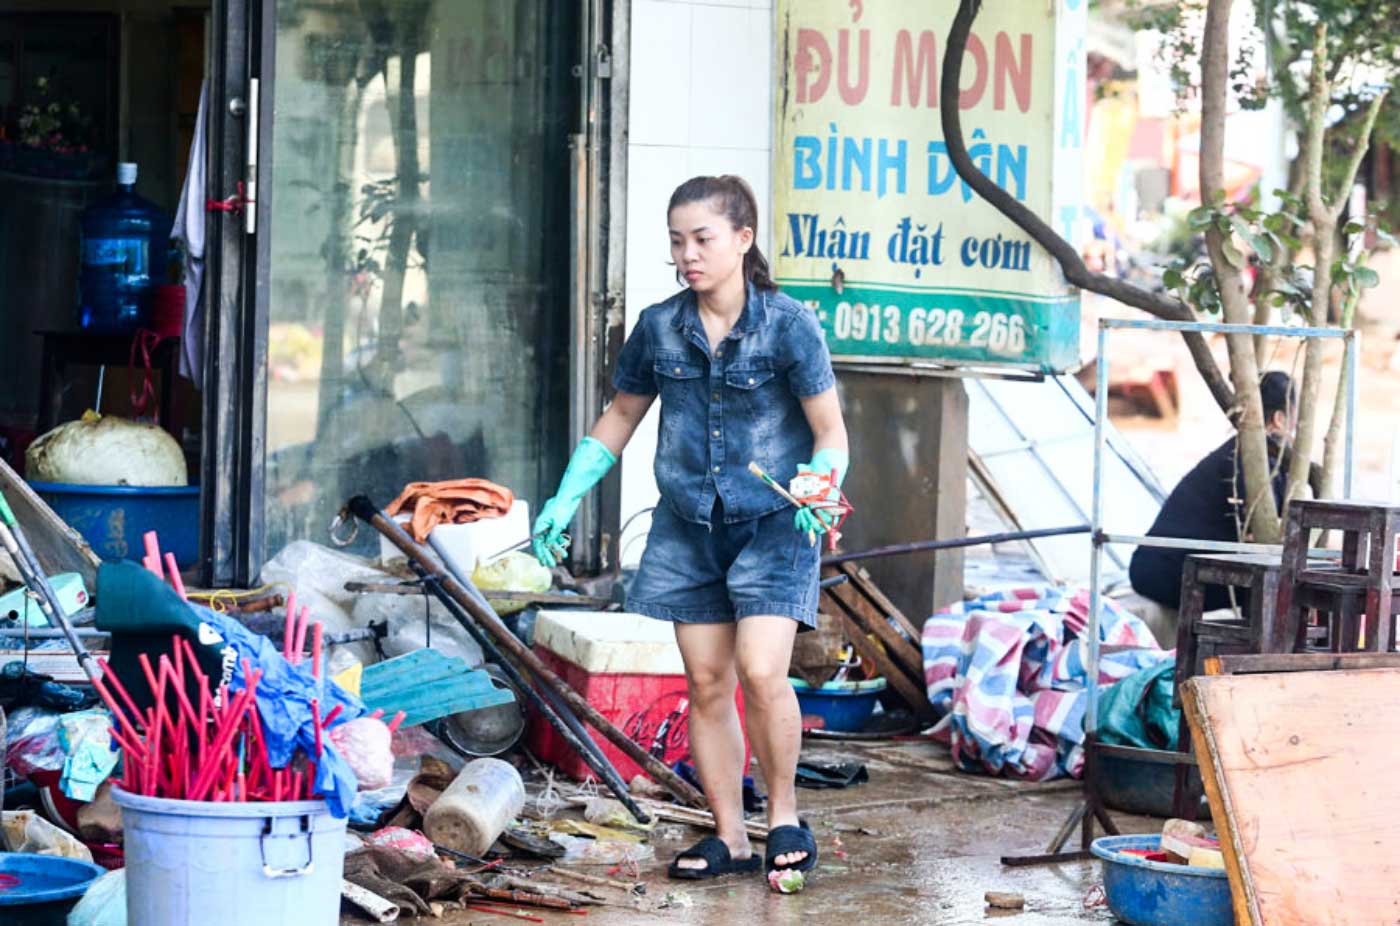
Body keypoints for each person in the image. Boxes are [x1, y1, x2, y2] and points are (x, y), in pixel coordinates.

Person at [530, 175, 848, 889]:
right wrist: (565, 494)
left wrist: (823, 486)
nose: (688, 255)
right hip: (687, 525)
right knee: (707, 682)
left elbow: (830, 431)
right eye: (677, 241)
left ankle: (786, 815)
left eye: (702, 238)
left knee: (763, 672)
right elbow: (620, 417)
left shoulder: (789, 325)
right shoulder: (658, 326)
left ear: (743, 238)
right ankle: (731, 836)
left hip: (774, 521)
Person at [1128, 371, 1307, 612]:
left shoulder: (1258, 457)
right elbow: (1262, 534)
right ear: (1279, 419)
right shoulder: (1248, 460)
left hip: (1169, 566)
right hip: (1164, 571)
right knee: (1271, 585)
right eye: (1295, 418)